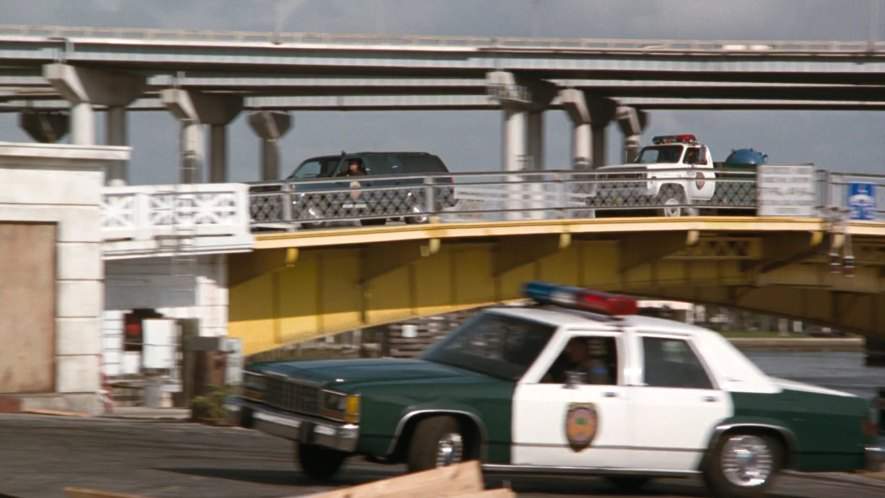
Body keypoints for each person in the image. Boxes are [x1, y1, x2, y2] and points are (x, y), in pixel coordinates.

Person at [546, 337, 613, 385]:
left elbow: (598, 389)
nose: (568, 351)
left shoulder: (597, 368)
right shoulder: (580, 366)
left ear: (584, 348)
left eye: (574, 347)